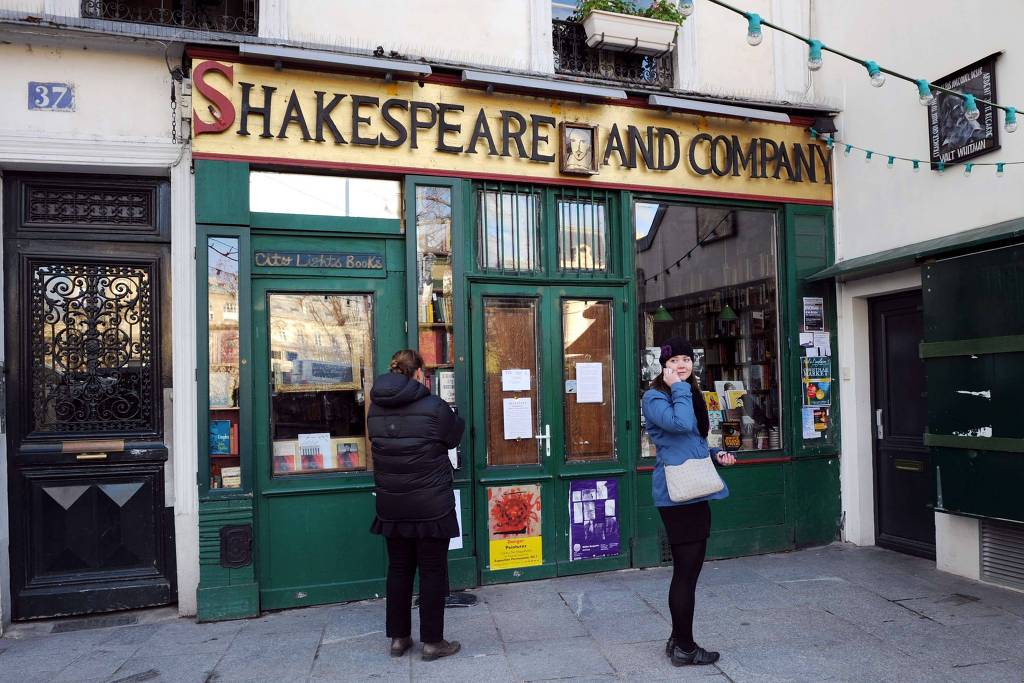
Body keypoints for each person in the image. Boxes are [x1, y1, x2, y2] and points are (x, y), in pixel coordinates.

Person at [641, 337, 736, 667]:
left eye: (686, 359)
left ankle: (676, 639)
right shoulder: (654, 396)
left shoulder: (690, 394)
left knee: (690, 571)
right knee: (685, 573)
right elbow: (679, 426)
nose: (681, 364)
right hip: (677, 493)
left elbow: (692, 440)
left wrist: (715, 453)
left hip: (696, 488)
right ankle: (685, 646)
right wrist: (680, 387)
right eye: (674, 359)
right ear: (663, 364)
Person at [368, 349, 465, 661]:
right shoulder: (434, 406)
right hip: (430, 504)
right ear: (419, 373)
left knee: (398, 569)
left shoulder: (375, 409)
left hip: (392, 503)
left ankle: (399, 638)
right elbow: (453, 437)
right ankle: (433, 642)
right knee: (432, 572)